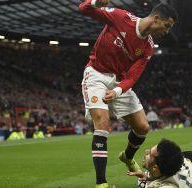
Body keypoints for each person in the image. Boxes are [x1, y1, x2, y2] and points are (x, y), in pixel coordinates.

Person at [79, 1, 178, 187]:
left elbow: (133, 76)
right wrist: (94, 2)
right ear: (156, 19)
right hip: (96, 74)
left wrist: (117, 91)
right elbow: (84, 10)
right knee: (102, 123)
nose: (167, 31)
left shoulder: (148, 46)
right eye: (167, 26)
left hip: (119, 83)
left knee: (143, 127)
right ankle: (101, 183)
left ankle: (127, 156)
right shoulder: (121, 18)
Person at [128, 139, 192, 188]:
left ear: (155, 167)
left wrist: (146, 182)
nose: (146, 152)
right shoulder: (170, 163)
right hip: (191, 158)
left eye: (149, 154)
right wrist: (148, 177)